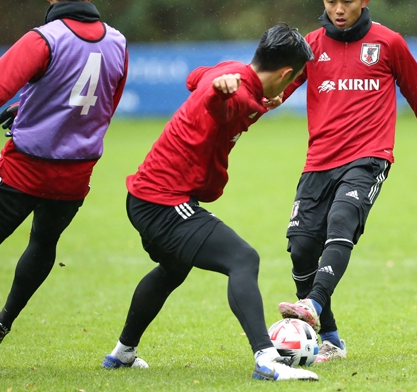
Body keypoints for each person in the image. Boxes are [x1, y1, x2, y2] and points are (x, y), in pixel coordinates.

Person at [275, 0, 417, 364]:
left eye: (347, 1)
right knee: (300, 248)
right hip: (318, 162)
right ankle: (329, 338)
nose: (338, 9)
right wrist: (239, 111)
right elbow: (274, 89)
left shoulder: (389, 44)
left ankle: (312, 305)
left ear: (364, 0)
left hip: (369, 157)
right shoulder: (311, 46)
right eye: (331, 1)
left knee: (341, 221)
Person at [101, 24, 319, 382]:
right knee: (243, 258)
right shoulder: (237, 97)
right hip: (162, 201)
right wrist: (220, 93)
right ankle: (267, 359)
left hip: (149, 195)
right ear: (284, 74)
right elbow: (220, 104)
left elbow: (195, 76)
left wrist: (222, 83)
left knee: (173, 269)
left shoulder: (234, 72)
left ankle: (122, 354)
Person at [0, 0, 128, 379]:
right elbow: (101, 108)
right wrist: (29, 107)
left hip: (24, 169)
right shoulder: (118, 41)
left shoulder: (43, 38)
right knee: (43, 243)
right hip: (75, 177)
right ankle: (1, 322)